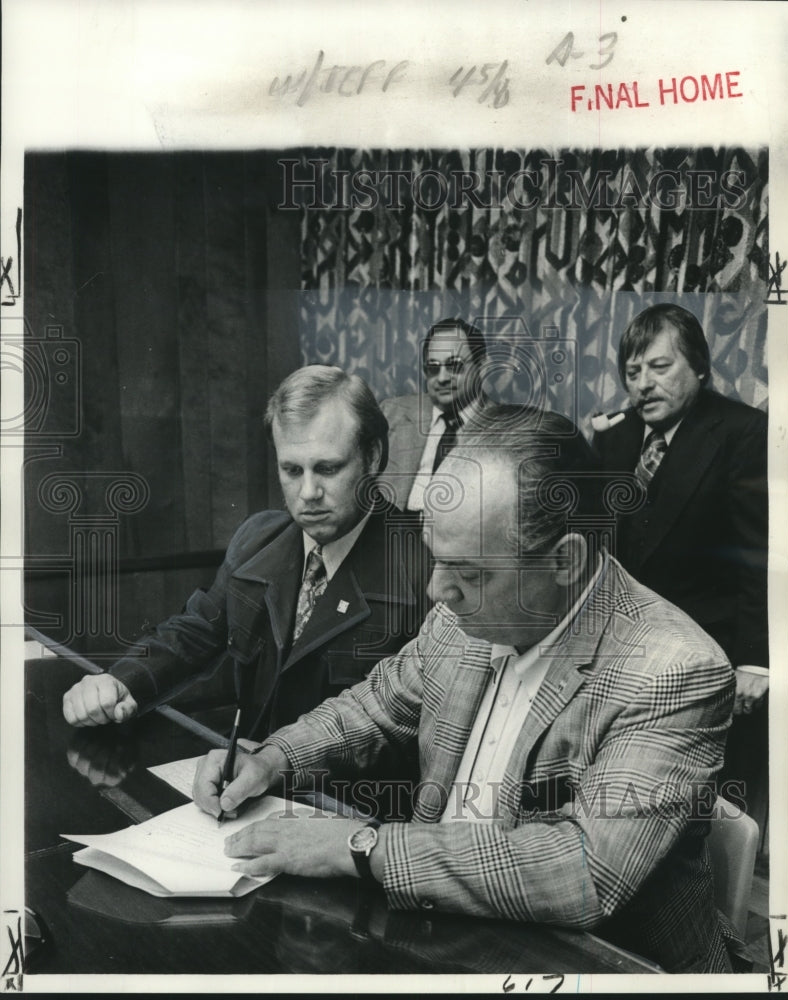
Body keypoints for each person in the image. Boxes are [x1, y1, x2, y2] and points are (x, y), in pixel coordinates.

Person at [194, 408, 741, 974]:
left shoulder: (674, 669)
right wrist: (273, 757)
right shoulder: (462, 615)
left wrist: (361, 846)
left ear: (566, 561)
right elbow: (375, 707)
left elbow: (583, 870)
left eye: (471, 573)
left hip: (602, 966)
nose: (437, 591)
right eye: (436, 558)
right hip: (447, 934)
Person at [62, 366, 428, 741]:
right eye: (291, 470)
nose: (307, 492)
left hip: (346, 799)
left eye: (328, 468)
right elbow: (194, 633)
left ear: (373, 457)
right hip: (248, 786)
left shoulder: (426, 572)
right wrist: (121, 682)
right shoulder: (257, 537)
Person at [592, 303, 769, 717]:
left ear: (699, 368)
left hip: (706, 652)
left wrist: (755, 660)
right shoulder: (615, 437)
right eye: (633, 373)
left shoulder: (742, 433)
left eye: (659, 367)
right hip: (621, 650)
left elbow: (760, 557)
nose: (644, 385)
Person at [378, 317, 489, 512]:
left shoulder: (507, 428)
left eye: (454, 366)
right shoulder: (392, 414)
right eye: (433, 368)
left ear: (482, 365)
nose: (443, 378)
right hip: (392, 534)